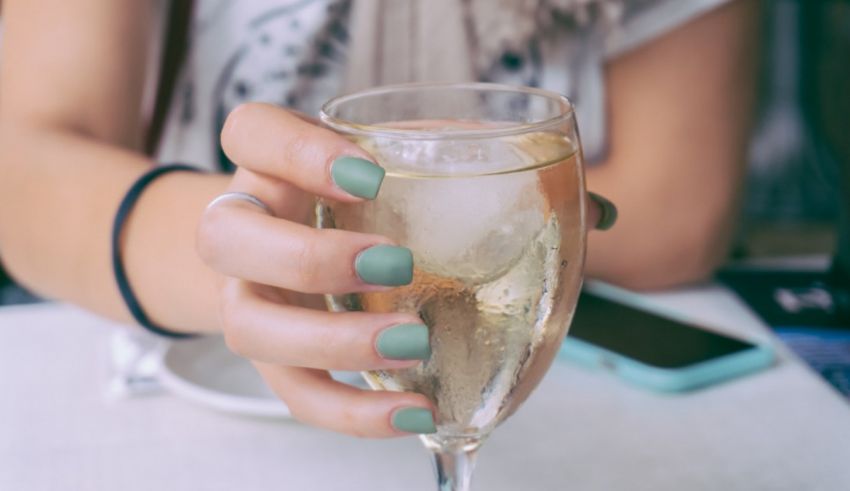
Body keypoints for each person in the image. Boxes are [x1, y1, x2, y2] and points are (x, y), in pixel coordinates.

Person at [0, 0, 758, 437]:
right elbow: (25, 168)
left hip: (592, 419)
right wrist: (242, 259)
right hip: (192, 415)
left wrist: (423, 241)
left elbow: (681, 206)